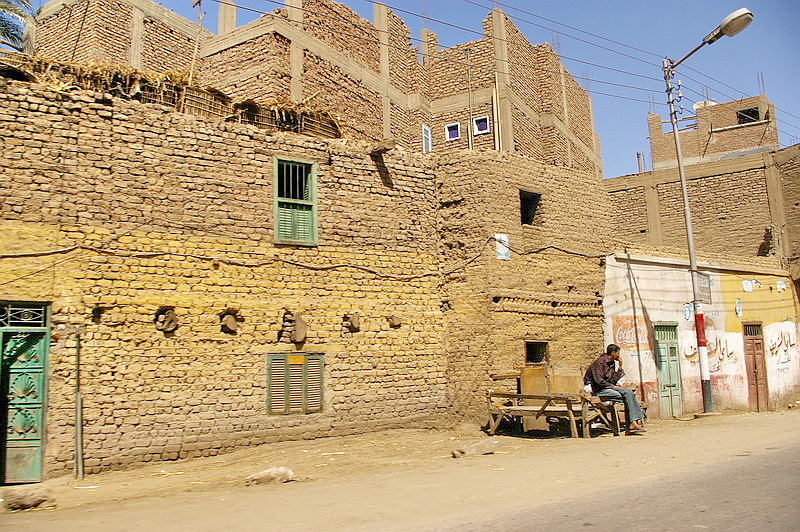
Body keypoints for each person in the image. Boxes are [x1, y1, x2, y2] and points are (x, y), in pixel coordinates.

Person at [584, 344, 645, 433]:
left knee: (629, 393)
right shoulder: (599, 362)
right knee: (627, 396)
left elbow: (612, 380)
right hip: (599, 389)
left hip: (608, 388)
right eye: (618, 353)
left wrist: (620, 367)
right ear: (613, 353)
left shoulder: (612, 363)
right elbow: (599, 381)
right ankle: (631, 424)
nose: (619, 355)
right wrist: (612, 386)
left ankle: (633, 422)